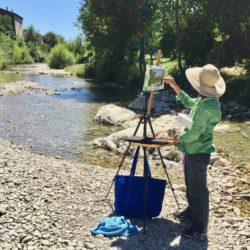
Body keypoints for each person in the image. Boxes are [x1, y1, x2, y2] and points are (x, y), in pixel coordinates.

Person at [164, 64, 226, 239]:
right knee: (191, 185)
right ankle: (191, 213)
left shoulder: (207, 106)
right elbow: (191, 104)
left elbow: (195, 133)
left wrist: (179, 139)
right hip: (194, 149)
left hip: (198, 151)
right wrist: (175, 87)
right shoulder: (206, 99)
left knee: (198, 188)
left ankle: (200, 227)